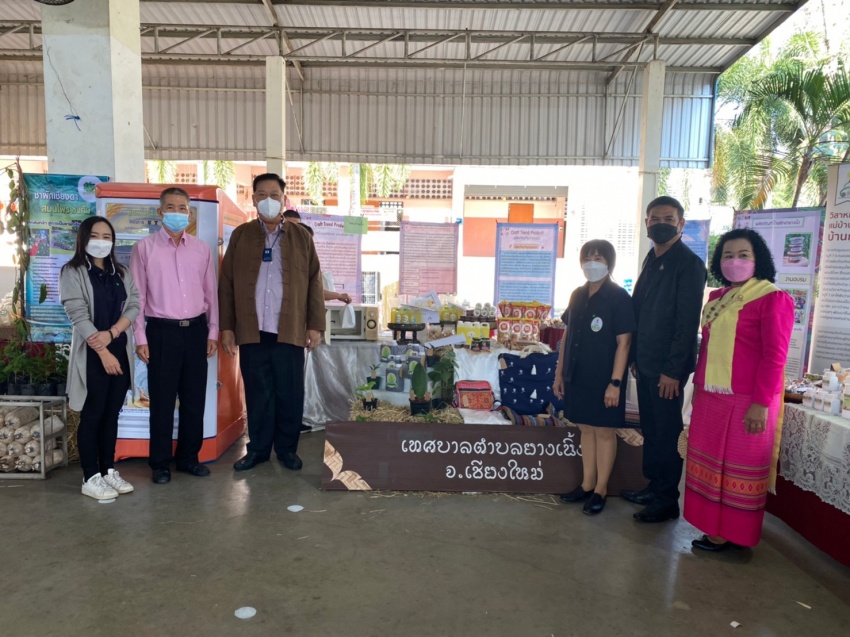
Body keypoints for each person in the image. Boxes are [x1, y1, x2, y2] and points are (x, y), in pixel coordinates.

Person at [684, 228, 793, 551]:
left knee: (738, 468)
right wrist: (697, 387)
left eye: (743, 255)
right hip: (711, 396)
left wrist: (761, 403)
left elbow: (775, 356)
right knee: (709, 464)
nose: (735, 261)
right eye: (728, 255)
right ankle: (713, 530)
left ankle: (735, 536)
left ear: (758, 259)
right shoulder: (717, 298)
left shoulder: (771, 298)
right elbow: (706, 347)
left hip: (748, 399)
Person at [219, 173, 325, 472]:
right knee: (258, 394)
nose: (269, 200)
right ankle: (258, 450)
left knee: (289, 394)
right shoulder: (241, 236)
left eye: (275, 194)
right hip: (252, 331)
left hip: (289, 331)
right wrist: (227, 327)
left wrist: (314, 325)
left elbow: (314, 282)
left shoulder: (301, 237)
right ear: (253, 199)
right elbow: (226, 283)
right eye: (262, 194)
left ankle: (287, 450)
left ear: (284, 198)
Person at [624, 195, 706, 523]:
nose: (661, 224)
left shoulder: (689, 264)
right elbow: (640, 310)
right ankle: (653, 486)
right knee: (651, 428)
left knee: (667, 431)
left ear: (681, 224)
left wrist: (672, 371)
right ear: (646, 223)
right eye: (655, 219)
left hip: (667, 370)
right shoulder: (651, 257)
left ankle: (667, 499)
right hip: (645, 362)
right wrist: (633, 356)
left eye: (668, 219)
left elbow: (686, 324)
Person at [130, 187, 219, 485]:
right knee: (163, 402)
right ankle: (160, 463)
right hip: (160, 332)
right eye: (171, 207)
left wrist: (213, 330)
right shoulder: (144, 249)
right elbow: (137, 297)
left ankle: (188, 458)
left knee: (194, 400)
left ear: (189, 213)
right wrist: (140, 337)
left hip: (195, 331)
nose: (177, 213)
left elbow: (211, 294)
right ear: (160, 212)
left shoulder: (201, 249)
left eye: (182, 208)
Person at [60, 216, 140, 500]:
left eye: (107, 237)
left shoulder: (121, 272)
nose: (101, 241)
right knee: (93, 414)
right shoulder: (72, 271)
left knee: (111, 413)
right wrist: (103, 350)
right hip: (93, 355)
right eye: (95, 235)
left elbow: (134, 305)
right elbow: (77, 314)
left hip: (119, 351)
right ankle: (90, 476)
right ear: (83, 238)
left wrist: (113, 333)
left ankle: (108, 470)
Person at [554, 240, 635, 515]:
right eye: (587, 258)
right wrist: (560, 373)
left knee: (603, 431)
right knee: (586, 429)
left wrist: (615, 383)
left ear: (609, 263)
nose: (592, 263)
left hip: (605, 378)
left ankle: (601, 490)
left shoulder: (619, 297)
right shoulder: (577, 295)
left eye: (598, 258)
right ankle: (587, 484)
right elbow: (567, 336)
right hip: (578, 375)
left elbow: (624, 343)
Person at [284, 209, 351, 304]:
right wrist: (338, 296)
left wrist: (338, 296)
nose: (294, 231)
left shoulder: (306, 261)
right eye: (289, 226)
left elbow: (314, 290)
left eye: (297, 227)